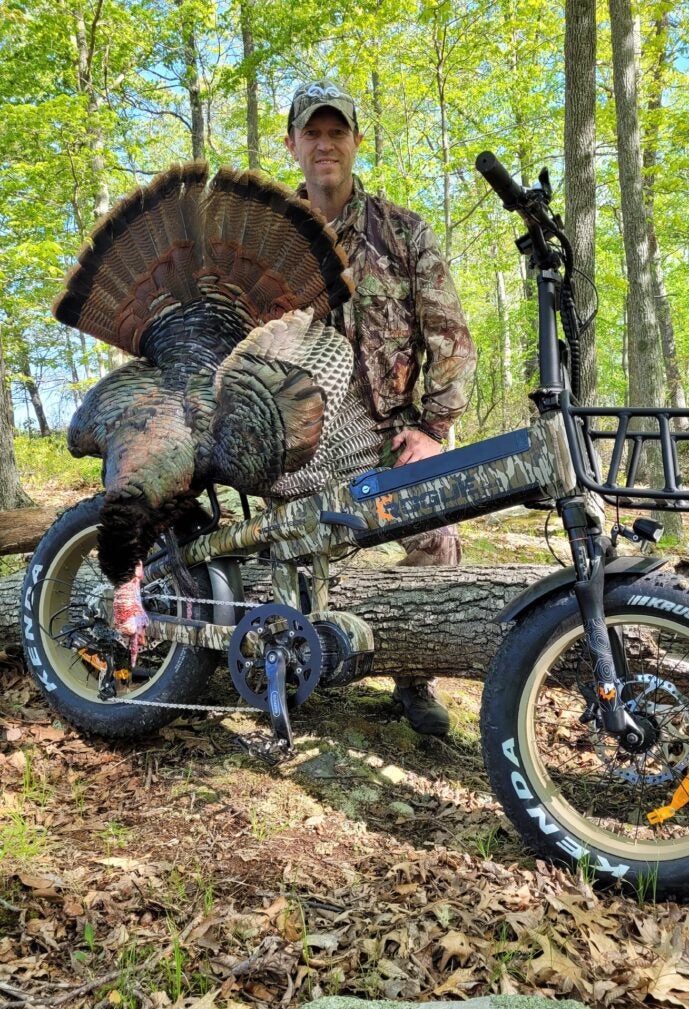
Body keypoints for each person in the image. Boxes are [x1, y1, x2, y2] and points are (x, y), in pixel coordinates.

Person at [285, 79, 477, 735]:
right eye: (312, 132)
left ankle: (414, 679)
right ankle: (291, 663)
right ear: (293, 146)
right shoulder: (270, 236)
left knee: (438, 535)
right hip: (296, 441)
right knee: (272, 547)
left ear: (356, 143)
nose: (325, 144)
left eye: (337, 132)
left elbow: (453, 341)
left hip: (389, 435)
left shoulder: (404, 233)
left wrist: (432, 427)